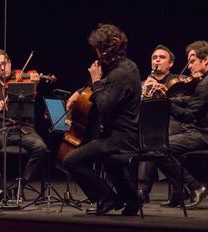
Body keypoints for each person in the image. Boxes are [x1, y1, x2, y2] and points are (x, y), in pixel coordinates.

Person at [63, 24, 141, 216]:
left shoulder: (120, 74)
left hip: (121, 139)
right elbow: (101, 87)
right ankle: (131, 199)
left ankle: (105, 199)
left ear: (106, 49)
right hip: (122, 135)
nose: (96, 54)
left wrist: (96, 80)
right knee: (104, 157)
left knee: (71, 160)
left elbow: (104, 105)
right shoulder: (127, 66)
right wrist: (80, 91)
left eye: (98, 49)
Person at [159, 40, 208, 209]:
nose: (189, 66)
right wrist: (170, 99)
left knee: (160, 147)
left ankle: (195, 187)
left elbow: (189, 116)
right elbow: (192, 100)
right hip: (207, 132)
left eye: (192, 61)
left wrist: (167, 104)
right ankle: (179, 193)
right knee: (162, 143)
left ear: (205, 60)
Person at [0, 49, 47, 198]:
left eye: (4, 63)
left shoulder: (23, 81)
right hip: (2, 130)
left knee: (41, 148)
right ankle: (2, 188)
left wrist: (35, 85)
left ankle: (21, 186)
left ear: (10, 63)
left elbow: (32, 95)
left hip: (25, 129)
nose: (3, 68)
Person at [138, 45, 184, 203]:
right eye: (154, 57)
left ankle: (142, 189)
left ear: (171, 63)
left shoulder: (179, 81)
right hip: (149, 126)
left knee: (152, 142)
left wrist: (164, 94)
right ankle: (177, 189)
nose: (157, 60)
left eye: (162, 57)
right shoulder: (143, 83)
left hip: (174, 124)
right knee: (146, 139)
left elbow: (185, 107)